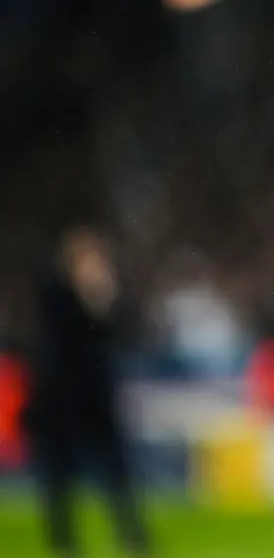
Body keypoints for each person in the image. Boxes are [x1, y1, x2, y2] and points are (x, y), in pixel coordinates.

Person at [22, 225, 149, 558]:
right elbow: (57, 338)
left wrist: (100, 294)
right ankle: (63, 538)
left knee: (115, 469)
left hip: (96, 395)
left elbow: (119, 330)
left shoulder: (104, 293)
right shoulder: (55, 292)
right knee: (59, 474)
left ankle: (131, 534)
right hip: (60, 395)